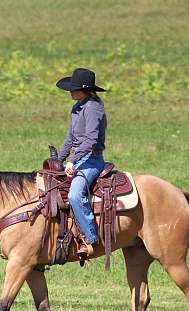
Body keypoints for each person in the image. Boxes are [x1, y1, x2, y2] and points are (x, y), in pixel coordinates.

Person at [55, 68, 107, 259]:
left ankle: (91, 238)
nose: (70, 91)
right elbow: (70, 138)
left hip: (91, 159)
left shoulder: (93, 108)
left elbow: (91, 140)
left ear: (84, 90)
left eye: (73, 88)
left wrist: (73, 161)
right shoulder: (77, 107)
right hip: (77, 158)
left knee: (75, 194)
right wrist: (58, 160)